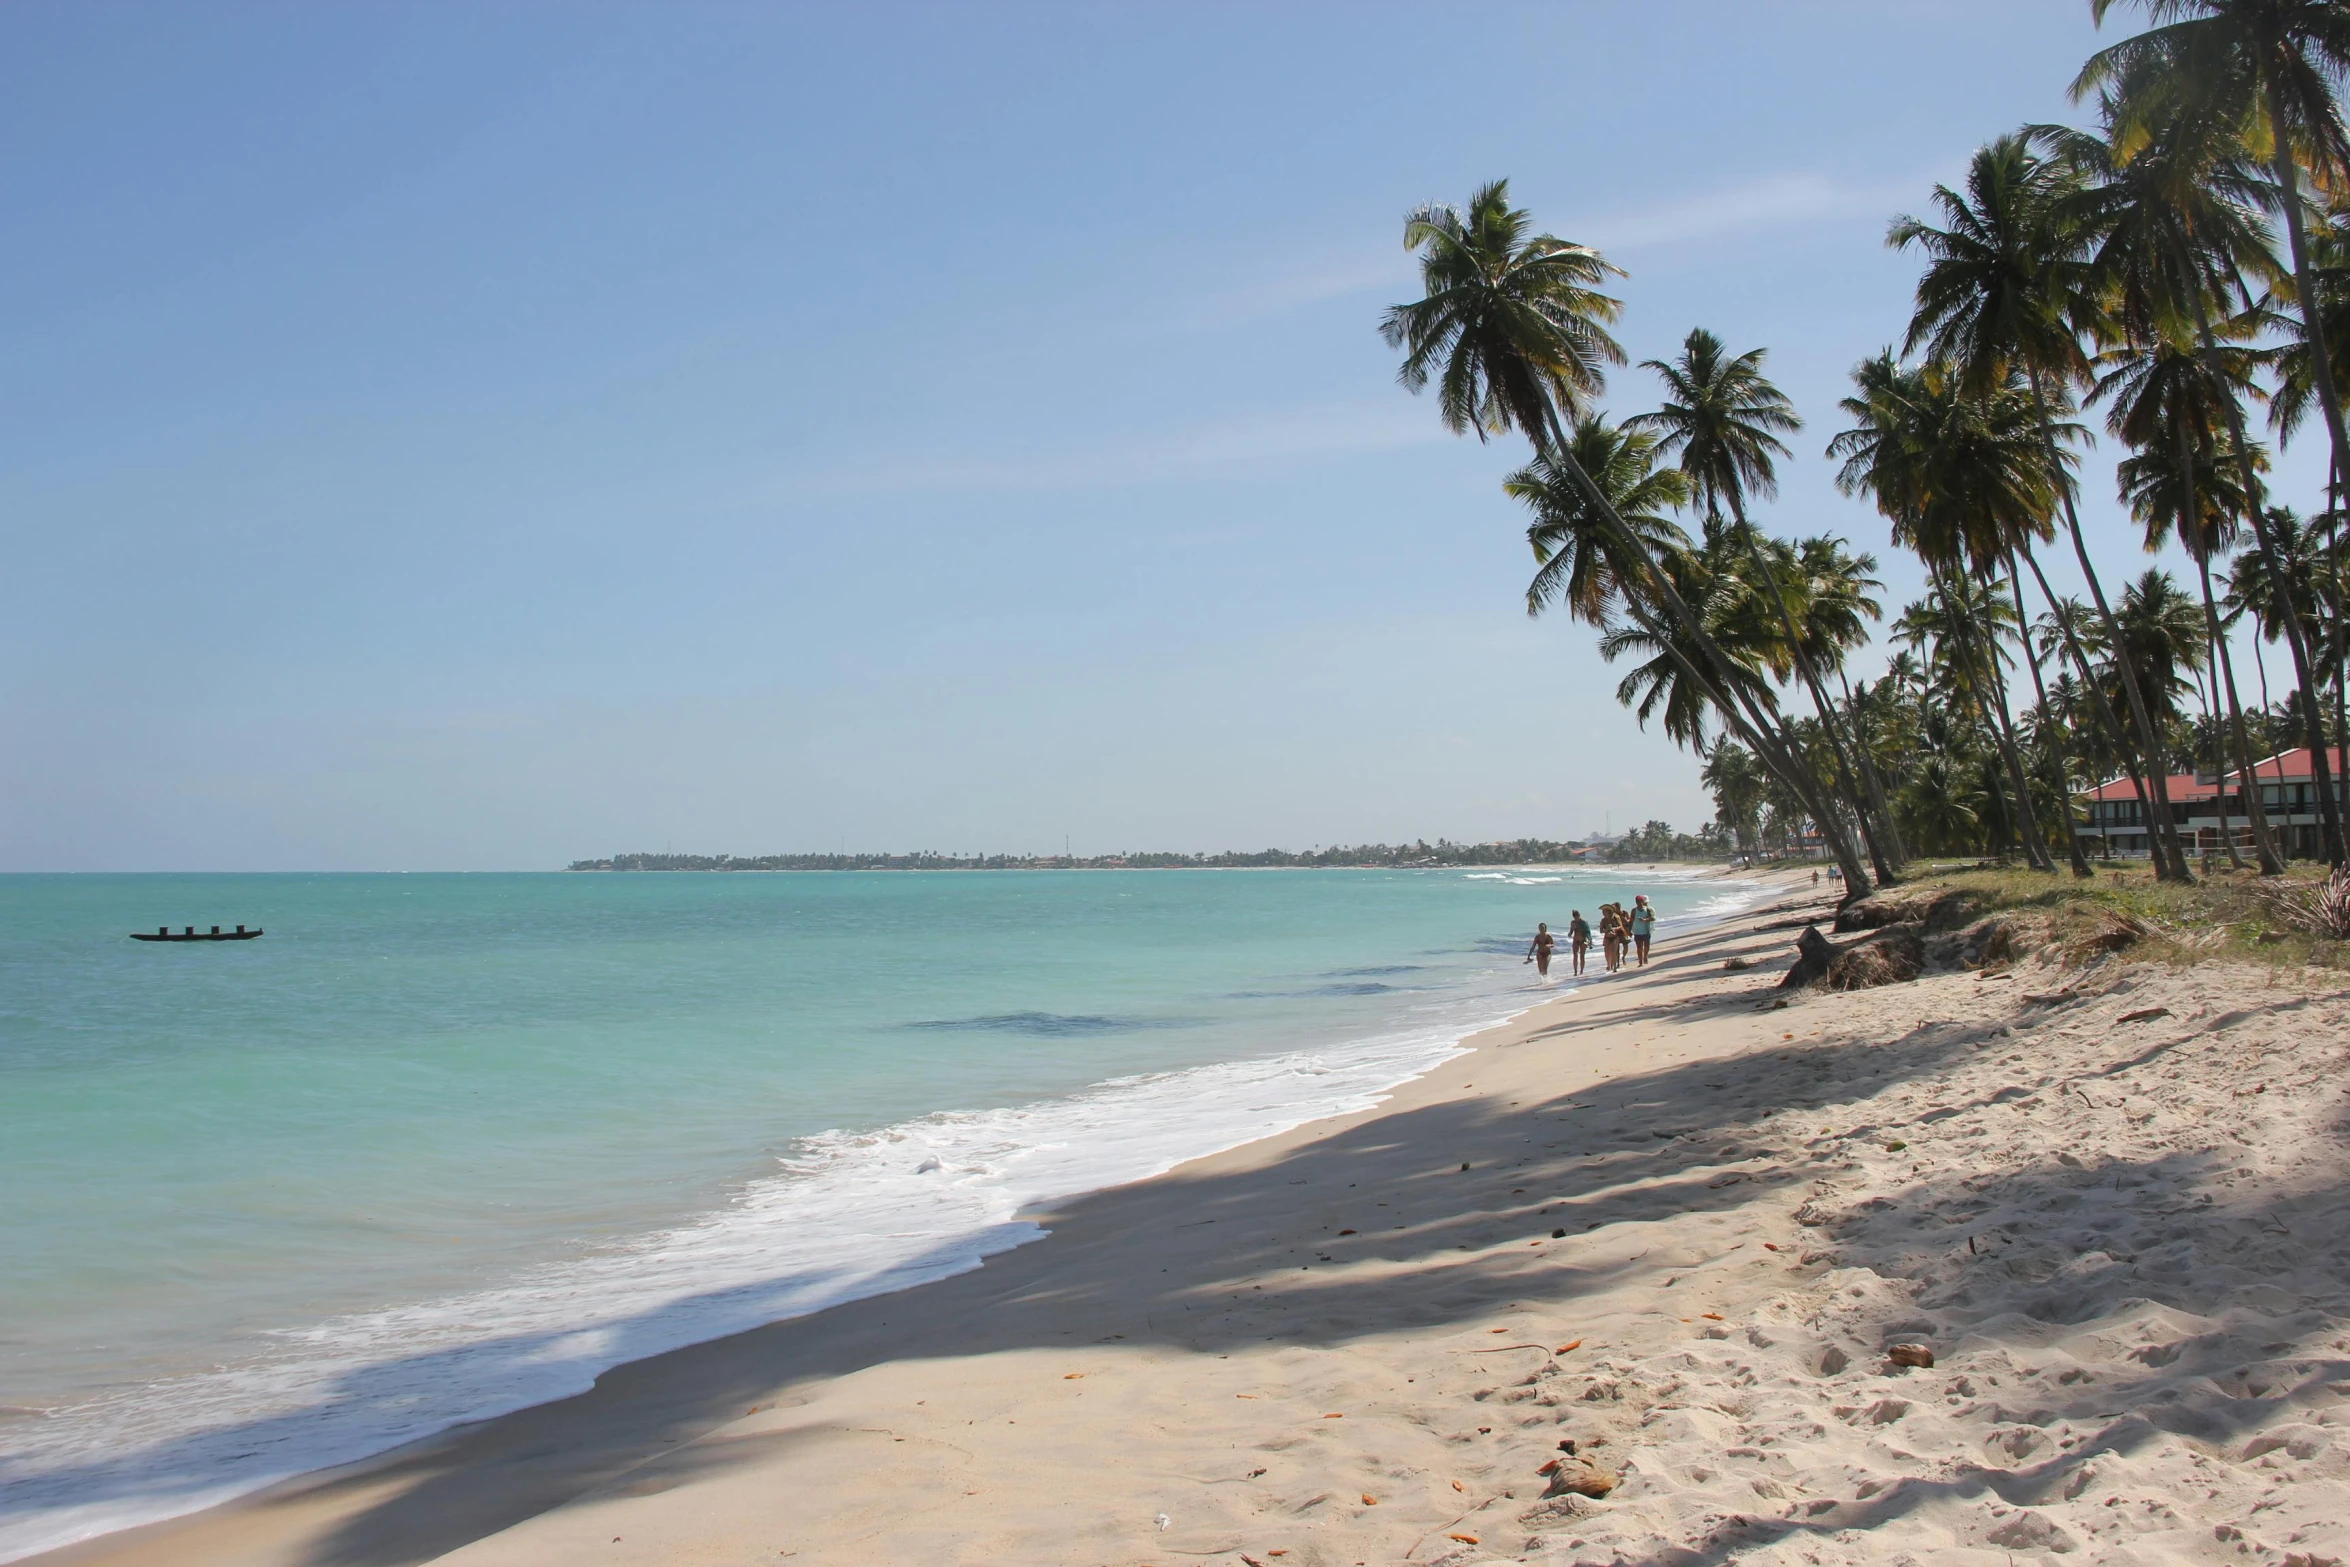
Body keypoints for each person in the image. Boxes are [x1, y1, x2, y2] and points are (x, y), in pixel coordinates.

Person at [1630, 894, 1656, 966]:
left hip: (1646, 930)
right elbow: (1631, 921)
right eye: (1637, 901)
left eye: (1640, 901)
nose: (1638, 903)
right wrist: (1628, 931)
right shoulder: (1634, 911)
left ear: (1642, 901)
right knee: (1639, 947)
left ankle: (1645, 957)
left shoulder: (1647, 909)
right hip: (1637, 931)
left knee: (1646, 946)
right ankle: (1640, 961)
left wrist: (1645, 920)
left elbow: (1653, 918)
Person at [1567, 909, 1592, 976]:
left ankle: (1581, 971)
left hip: (1583, 940)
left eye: (1577, 916)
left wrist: (1590, 940)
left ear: (1579, 915)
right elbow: (1571, 931)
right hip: (1575, 940)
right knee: (1575, 955)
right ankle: (1575, 971)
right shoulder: (1572, 922)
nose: (1576, 918)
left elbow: (1588, 932)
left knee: (1582, 956)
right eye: (1574, 917)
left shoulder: (1583, 922)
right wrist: (1569, 933)